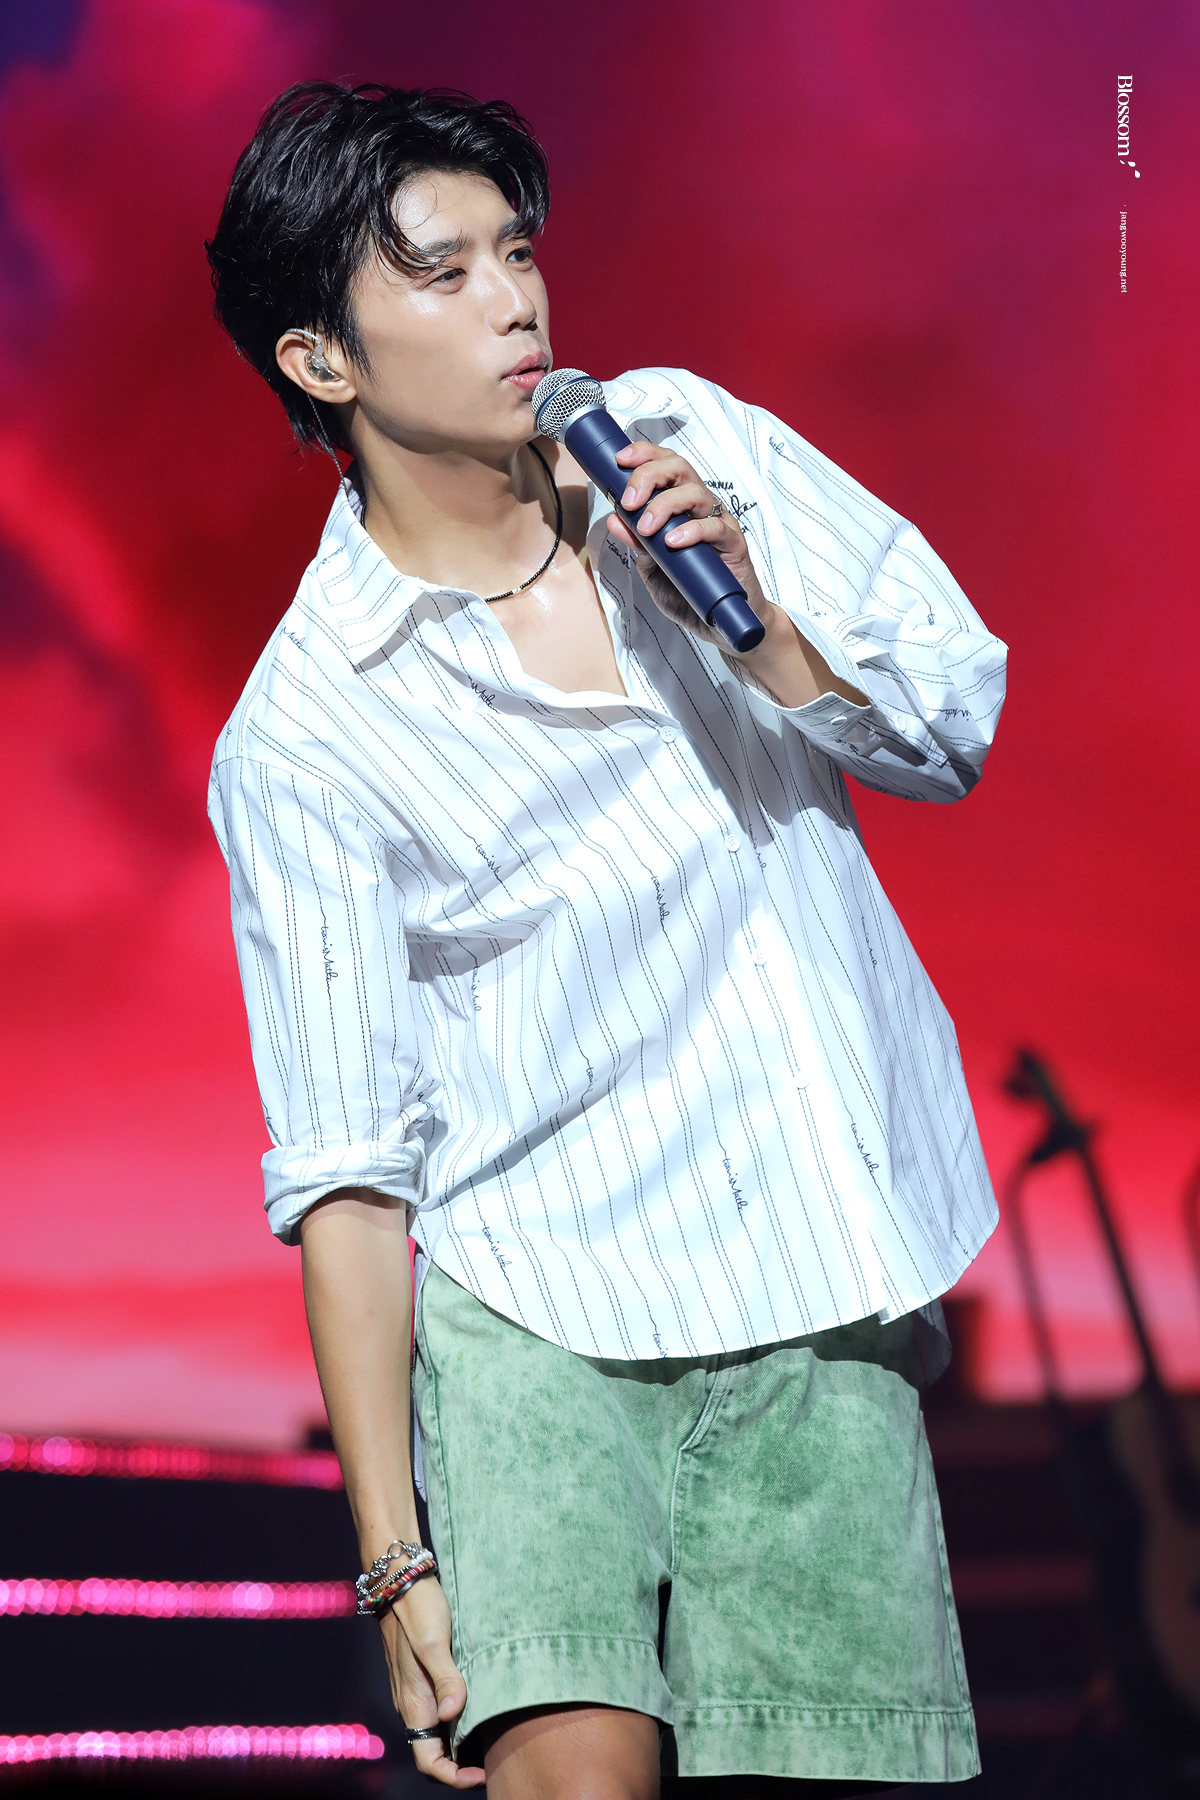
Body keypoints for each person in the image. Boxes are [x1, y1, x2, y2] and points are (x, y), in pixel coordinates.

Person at [205, 80, 1006, 1798]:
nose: (514, 301)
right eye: (442, 273)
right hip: (532, 1316)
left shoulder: (688, 449)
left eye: (518, 251)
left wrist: (762, 628)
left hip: (810, 1281)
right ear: (321, 359)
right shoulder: (308, 729)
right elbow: (346, 1171)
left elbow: (953, 722)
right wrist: (395, 1559)